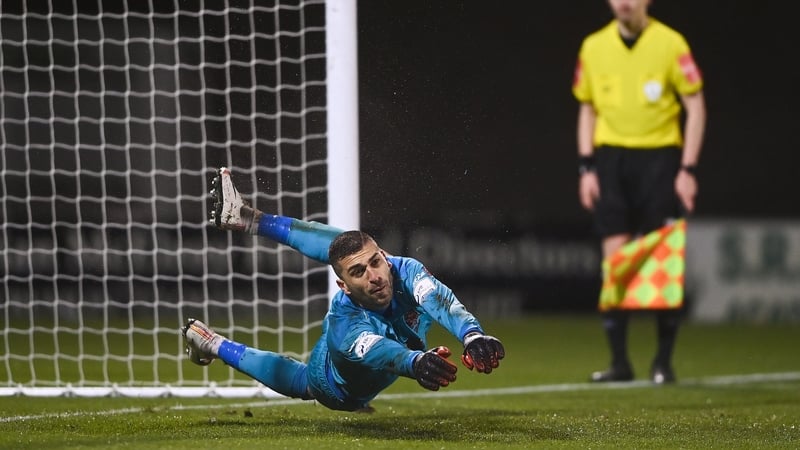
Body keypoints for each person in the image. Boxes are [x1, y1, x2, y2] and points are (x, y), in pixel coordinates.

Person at [182, 167, 505, 411]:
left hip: (394, 333)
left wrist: (471, 335)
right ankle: (213, 344)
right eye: (359, 273)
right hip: (336, 387)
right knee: (303, 382)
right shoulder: (344, 324)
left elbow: (436, 297)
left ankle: (249, 219)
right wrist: (414, 362)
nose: (375, 275)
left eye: (377, 262)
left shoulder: (399, 268)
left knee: (352, 246)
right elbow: (379, 350)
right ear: (343, 286)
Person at [571, 0, 706, 383]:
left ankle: (663, 362)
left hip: (660, 161)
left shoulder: (671, 43)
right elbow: (587, 108)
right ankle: (620, 363)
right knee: (615, 263)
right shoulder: (593, 46)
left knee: (664, 260)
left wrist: (688, 170)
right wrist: (586, 168)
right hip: (610, 162)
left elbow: (695, 106)